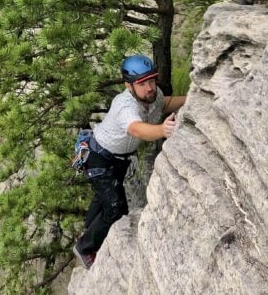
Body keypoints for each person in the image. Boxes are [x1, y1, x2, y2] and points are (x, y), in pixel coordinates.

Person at [73, 54, 186, 269]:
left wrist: (191, 98)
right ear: (129, 86)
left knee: (104, 196)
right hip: (100, 158)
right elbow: (135, 128)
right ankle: (85, 247)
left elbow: (165, 103)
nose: (150, 87)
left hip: (116, 158)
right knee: (115, 208)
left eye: (152, 80)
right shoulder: (125, 105)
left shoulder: (153, 95)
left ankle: (89, 228)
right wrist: (162, 130)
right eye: (142, 84)